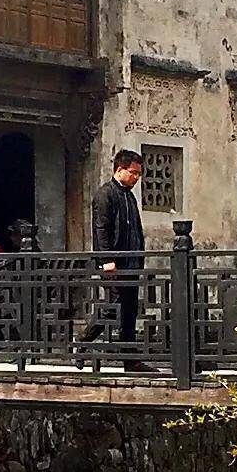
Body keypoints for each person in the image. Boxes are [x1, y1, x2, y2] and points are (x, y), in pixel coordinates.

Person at [82, 148, 148, 366]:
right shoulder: (105, 194)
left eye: (139, 174)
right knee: (112, 308)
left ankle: (130, 359)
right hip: (114, 264)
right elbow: (101, 229)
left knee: (129, 311)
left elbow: (135, 230)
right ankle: (81, 343)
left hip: (131, 263)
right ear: (120, 170)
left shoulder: (129, 197)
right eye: (133, 173)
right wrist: (106, 259)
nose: (136, 178)